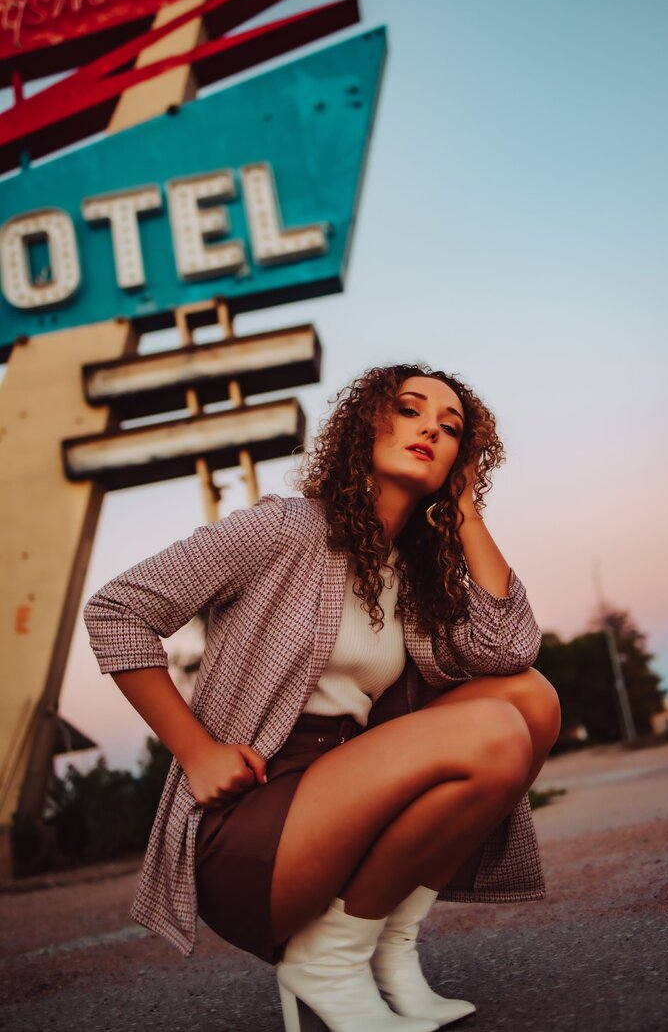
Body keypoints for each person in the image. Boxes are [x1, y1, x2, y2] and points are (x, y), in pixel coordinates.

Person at [84, 363, 561, 1032]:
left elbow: (510, 648)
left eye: (450, 427)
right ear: (366, 421)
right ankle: (328, 961)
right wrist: (195, 751)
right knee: (495, 733)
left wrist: (465, 509)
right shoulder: (286, 529)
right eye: (410, 409)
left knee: (531, 700)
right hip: (255, 818)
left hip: (347, 789)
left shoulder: (417, 573)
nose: (430, 426)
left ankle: (387, 947)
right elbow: (116, 609)